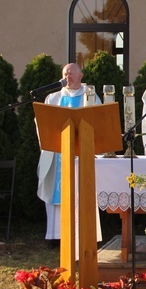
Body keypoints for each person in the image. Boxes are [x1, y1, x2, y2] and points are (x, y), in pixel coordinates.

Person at [37, 63, 103, 247]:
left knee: (81, 192)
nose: (68, 77)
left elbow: (98, 120)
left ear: (81, 75)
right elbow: (43, 121)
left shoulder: (90, 96)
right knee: (56, 191)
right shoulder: (54, 97)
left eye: (72, 73)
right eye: (65, 74)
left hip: (81, 153)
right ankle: (55, 236)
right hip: (58, 153)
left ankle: (82, 236)